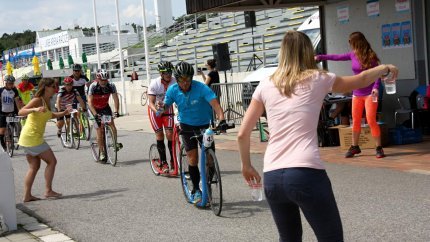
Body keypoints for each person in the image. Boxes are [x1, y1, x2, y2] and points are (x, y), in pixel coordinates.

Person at [237, 30, 398, 241]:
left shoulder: (266, 84)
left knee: (289, 238)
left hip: (273, 176)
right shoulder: (319, 78)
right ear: (307, 52)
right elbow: (359, 80)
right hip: (305, 173)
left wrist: (246, 165)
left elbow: (242, 134)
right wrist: (384, 68)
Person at [158, 61, 227, 204]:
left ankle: (206, 184)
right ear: (176, 79)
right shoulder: (172, 90)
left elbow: (216, 105)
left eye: (188, 79)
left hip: (204, 126)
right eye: (181, 80)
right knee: (193, 159)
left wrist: (222, 119)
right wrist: (161, 107)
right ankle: (196, 189)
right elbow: (165, 106)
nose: (185, 83)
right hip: (187, 126)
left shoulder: (201, 88)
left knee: (210, 160)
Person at [316, 32, 385, 158]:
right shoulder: (352, 54)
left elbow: (378, 74)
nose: (350, 45)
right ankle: (355, 147)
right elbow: (337, 57)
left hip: (370, 93)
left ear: (357, 42)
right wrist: (321, 57)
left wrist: (376, 88)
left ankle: (379, 147)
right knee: (356, 120)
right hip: (357, 93)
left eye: (351, 42)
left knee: (370, 120)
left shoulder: (371, 56)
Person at [18, 78, 70, 202]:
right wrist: (34, 109)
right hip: (32, 137)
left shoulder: (47, 101)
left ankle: (27, 196)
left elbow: (50, 115)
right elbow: (21, 112)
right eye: (53, 86)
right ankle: (48, 191)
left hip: (29, 138)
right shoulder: (37, 100)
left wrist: (65, 112)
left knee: (34, 166)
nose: (55, 88)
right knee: (52, 161)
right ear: (46, 87)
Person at [87, 69, 122, 162]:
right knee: (99, 129)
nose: (104, 82)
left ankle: (115, 143)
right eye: (102, 80)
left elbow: (115, 99)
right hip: (94, 108)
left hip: (104, 107)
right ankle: (102, 152)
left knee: (112, 124)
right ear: (98, 79)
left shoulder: (111, 86)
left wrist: (116, 111)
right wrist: (95, 114)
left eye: (105, 80)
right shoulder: (93, 86)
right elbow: (89, 102)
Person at [148, 61, 176, 173]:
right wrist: (157, 111)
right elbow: (150, 102)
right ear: (161, 73)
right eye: (165, 72)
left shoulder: (174, 81)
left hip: (167, 109)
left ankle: (173, 160)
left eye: (170, 72)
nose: (168, 74)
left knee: (170, 134)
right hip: (155, 111)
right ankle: (163, 162)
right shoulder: (154, 83)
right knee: (160, 135)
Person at [0, 75, 22, 150]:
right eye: (10, 83)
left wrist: (19, 111)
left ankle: (12, 140)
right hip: (2, 112)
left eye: (12, 83)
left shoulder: (14, 90)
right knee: (2, 130)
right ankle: (2, 142)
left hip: (11, 112)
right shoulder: (1, 91)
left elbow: (17, 101)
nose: (12, 85)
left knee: (12, 127)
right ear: (6, 83)